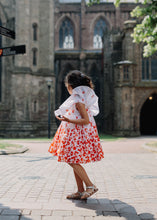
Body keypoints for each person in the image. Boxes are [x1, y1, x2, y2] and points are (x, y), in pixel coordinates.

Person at [48, 70, 104, 200]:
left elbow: (86, 120)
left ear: (70, 86)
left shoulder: (79, 101)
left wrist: (68, 120)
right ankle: (80, 190)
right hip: (74, 133)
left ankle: (90, 186)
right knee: (74, 159)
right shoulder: (79, 99)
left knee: (70, 159)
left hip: (77, 134)